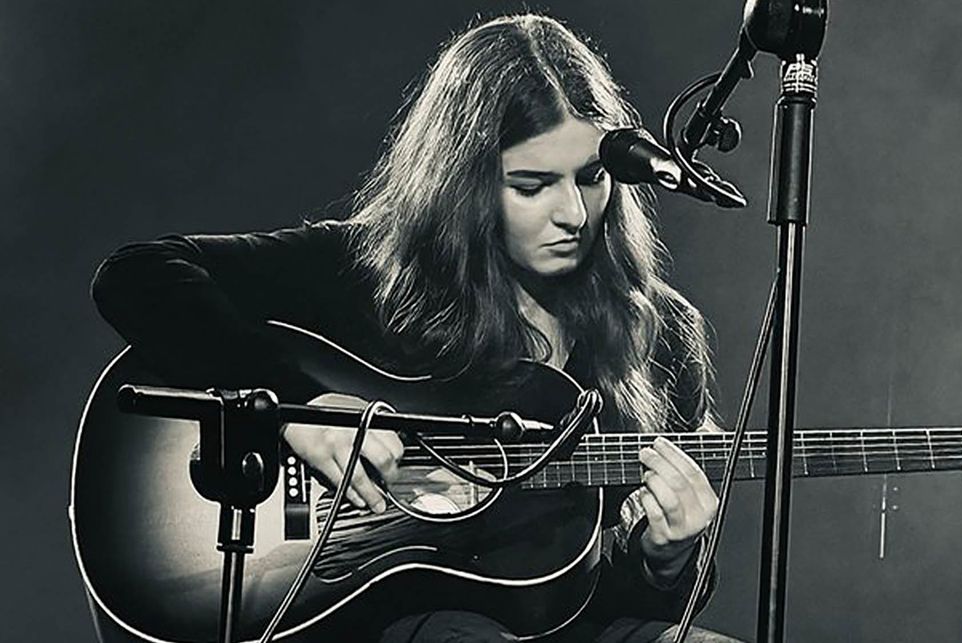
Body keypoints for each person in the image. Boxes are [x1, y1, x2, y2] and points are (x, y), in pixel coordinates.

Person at [92, 13, 738, 643]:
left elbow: (616, 602)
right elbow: (139, 275)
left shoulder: (660, 332)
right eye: (532, 184)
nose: (573, 212)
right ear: (464, 180)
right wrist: (296, 405)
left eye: (591, 178)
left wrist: (667, 556)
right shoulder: (365, 272)